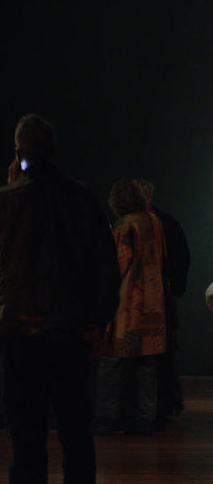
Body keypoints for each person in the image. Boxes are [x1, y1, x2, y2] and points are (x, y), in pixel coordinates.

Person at [0, 114, 119, 484]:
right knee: (76, 431)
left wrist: (12, 186)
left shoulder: (5, 199)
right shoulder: (82, 198)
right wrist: (99, 321)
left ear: (19, 152)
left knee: (25, 435)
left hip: (19, 330)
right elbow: (105, 264)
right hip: (70, 329)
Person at [95, 179, 166, 435]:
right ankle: (147, 416)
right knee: (147, 363)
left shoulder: (125, 226)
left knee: (111, 360)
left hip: (128, 303)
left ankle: (106, 416)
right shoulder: (153, 221)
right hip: (154, 300)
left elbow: (118, 265)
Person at [135, 179, 190, 422]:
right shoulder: (166, 222)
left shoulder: (140, 225)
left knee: (157, 351)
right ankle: (166, 405)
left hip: (152, 295)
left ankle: (160, 405)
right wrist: (177, 290)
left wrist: (176, 290)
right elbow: (183, 258)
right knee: (164, 351)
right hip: (161, 293)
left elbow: (181, 258)